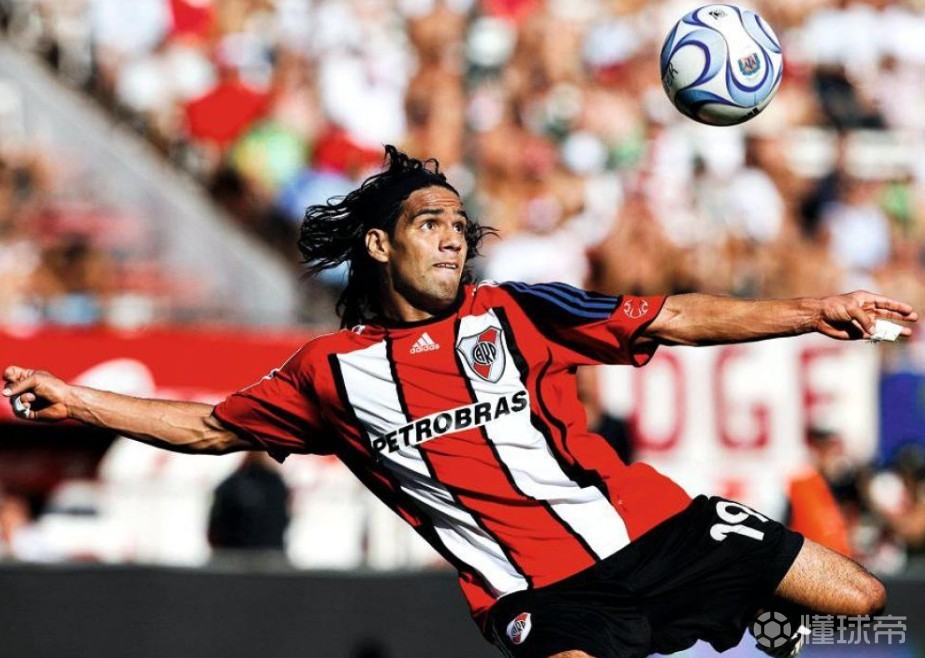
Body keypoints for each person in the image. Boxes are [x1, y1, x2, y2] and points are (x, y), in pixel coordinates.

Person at [2, 146, 918, 658]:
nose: (453, 239)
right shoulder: (329, 373)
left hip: (652, 528)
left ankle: (742, 634)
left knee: (863, 599)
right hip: (538, 594)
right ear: (377, 244)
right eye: (429, 222)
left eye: (458, 224)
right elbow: (209, 426)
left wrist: (814, 310)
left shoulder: (518, 309)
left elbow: (672, 316)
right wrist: (79, 400)